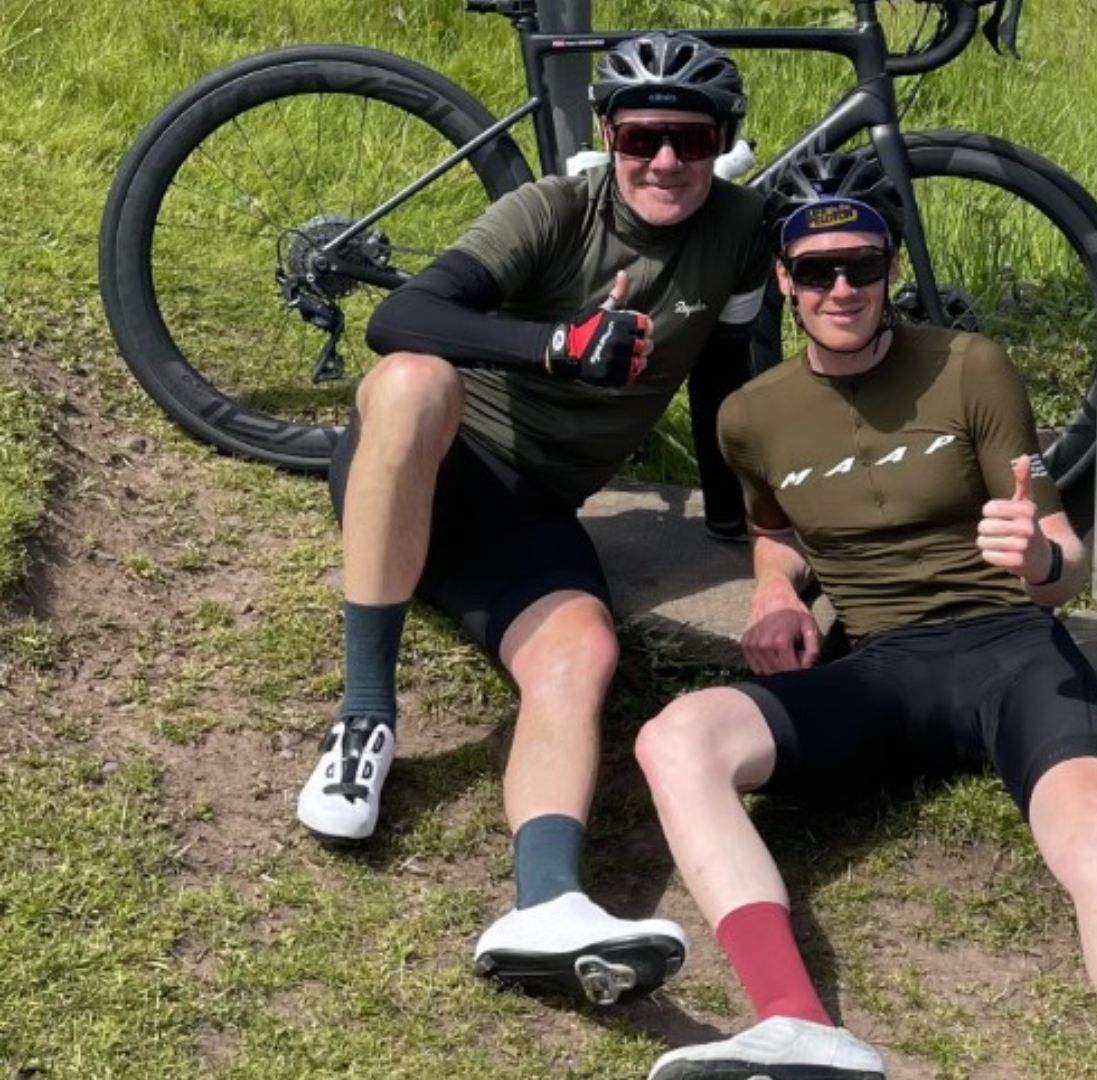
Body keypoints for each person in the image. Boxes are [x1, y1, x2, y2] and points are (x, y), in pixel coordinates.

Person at [632, 177, 1097, 1080]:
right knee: (675, 739)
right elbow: (774, 531)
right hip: (880, 669)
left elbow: (1062, 555)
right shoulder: (750, 416)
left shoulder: (968, 366)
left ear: (890, 268)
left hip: (1010, 646)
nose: (841, 289)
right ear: (784, 281)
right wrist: (774, 594)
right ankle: (794, 1025)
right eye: (816, 272)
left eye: (861, 266)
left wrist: (1038, 560)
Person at [299, 31, 772, 1005]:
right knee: (413, 381)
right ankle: (363, 721)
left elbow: (725, 376)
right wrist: (558, 344)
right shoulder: (555, 209)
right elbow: (401, 319)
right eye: (642, 138)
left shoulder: (741, 230)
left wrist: (739, 522)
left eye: (691, 139)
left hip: (526, 516)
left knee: (582, 654)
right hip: (426, 463)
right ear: (610, 134)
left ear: (725, 140)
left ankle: (548, 904)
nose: (666, 161)